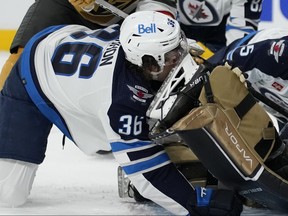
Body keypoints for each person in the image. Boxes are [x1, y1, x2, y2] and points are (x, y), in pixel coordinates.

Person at [0, 11, 243, 215]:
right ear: (149, 63)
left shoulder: (148, 56)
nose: (181, 56)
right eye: (172, 56)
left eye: (178, 47)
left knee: (158, 119)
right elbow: (148, 175)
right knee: (9, 195)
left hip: (66, 39)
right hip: (33, 76)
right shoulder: (119, 101)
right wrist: (196, 204)